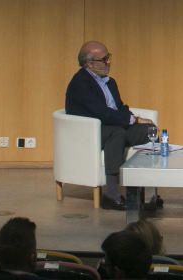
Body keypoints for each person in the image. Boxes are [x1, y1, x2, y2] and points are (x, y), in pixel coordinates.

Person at [65, 41, 155, 210]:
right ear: (89, 63)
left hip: (110, 125)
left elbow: (119, 107)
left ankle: (147, 191)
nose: (108, 62)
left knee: (149, 131)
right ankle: (111, 194)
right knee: (117, 133)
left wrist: (135, 119)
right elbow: (101, 113)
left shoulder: (109, 82)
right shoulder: (81, 83)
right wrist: (133, 120)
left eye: (109, 57)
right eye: (104, 59)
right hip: (89, 131)